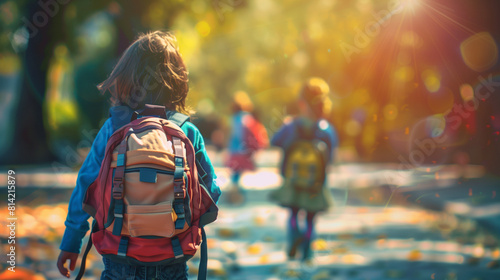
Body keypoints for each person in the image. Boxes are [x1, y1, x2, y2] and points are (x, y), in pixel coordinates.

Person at [57, 31, 221, 280]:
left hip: (119, 257)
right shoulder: (187, 131)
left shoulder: (114, 127)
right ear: (177, 83)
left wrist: (71, 242)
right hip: (172, 257)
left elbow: (85, 186)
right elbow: (212, 190)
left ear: (125, 78)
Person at [270, 78, 338, 262]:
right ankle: (307, 248)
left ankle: (295, 235)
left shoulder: (291, 126)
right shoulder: (326, 129)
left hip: (293, 180)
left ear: (301, 103)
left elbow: (274, 141)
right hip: (315, 183)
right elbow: (331, 155)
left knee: (293, 213)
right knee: (310, 217)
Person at [225, 91, 268, 204]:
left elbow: (232, 135)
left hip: (234, 150)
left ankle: (236, 195)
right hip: (244, 150)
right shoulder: (248, 118)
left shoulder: (233, 119)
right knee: (238, 174)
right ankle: (238, 195)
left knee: (235, 174)